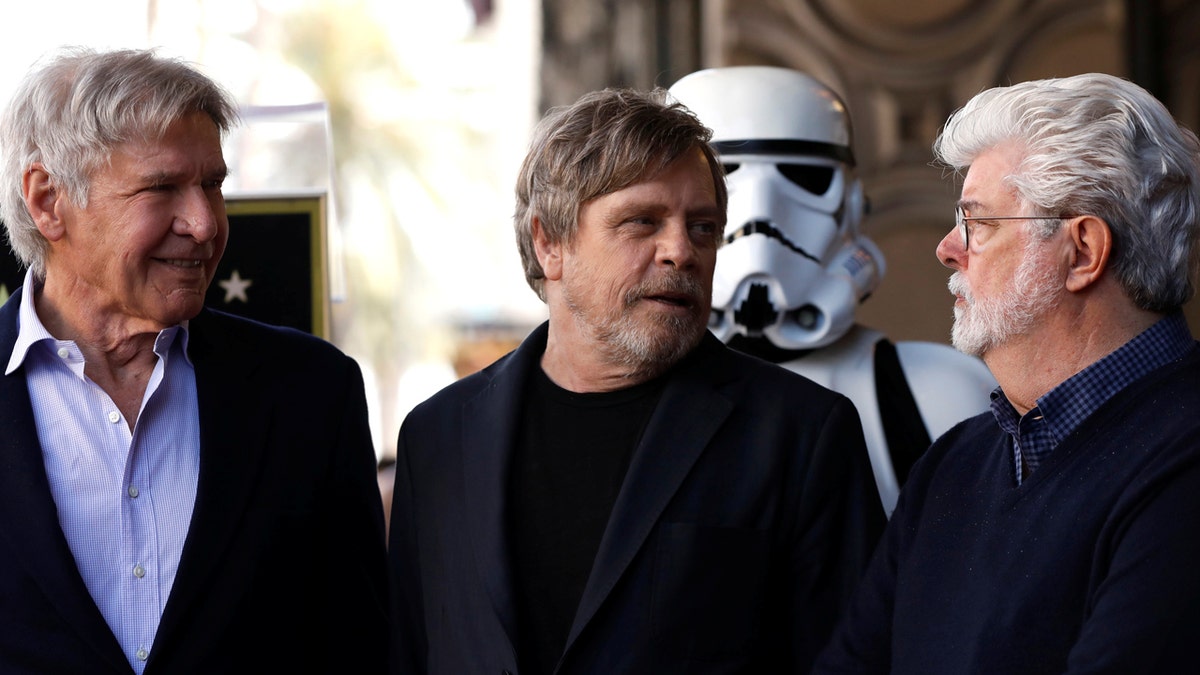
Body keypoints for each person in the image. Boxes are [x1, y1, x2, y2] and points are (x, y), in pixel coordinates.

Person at [388, 87, 885, 674]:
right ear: (550, 243)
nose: (681, 251)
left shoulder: (802, 433)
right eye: (642, 222)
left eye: (703, 228)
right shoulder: (438, 437)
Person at [0, 48, 387, 674]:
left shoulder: (312, 394)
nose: (206, 224)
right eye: (161, 187)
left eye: (213, 184)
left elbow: (358, 647)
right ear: (48, 201)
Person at [814, 72, 1200, 673]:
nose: (947, 247)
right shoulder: (951, 466)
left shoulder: (1185, 462)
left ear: (1082, 252)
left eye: (979, 223)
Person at [669, 66, 996, 516]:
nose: (763, 210)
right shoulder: (624, 390)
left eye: (803, 179)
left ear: (852, 203)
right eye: (723, 179)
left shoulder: (941, 392)